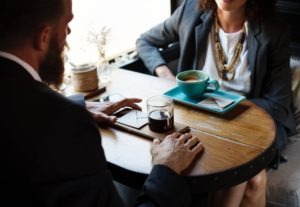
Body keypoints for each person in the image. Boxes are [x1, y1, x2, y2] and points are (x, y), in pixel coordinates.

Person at [0, 0, 205, 206]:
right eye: (66, 23)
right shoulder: (66, 123)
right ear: (43, 37)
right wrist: (166, 168)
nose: (68, 32)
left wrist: (79, 106)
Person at [136, 0, 297, 206]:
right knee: (253, 180)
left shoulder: (274, 31)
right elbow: (145, 41)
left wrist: (222, 107)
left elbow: (278, 105)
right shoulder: (189, 11)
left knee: (251, 181)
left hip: (255, 122)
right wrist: (164, 73)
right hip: (203, 120)